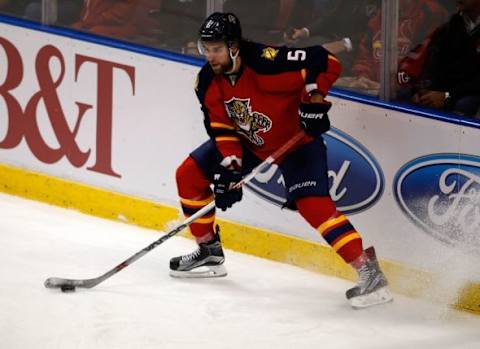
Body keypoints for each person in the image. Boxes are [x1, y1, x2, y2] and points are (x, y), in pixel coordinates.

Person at [170, 12, 393, 308]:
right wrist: (231, 170)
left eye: (216, 49)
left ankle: (368, 271)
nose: (210, 56)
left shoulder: (267, 61)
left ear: (234, 46)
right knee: (188, 174)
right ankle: (209, 250)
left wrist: (314, 103)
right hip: (250, 143)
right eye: (206, 49)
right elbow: (222, 128)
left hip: (297, 143)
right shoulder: (207, 82)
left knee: (312, 205)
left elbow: (326, 61)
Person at [337, 0, 448, 93]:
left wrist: (393, 86)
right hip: (376, 89)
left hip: (408, 97)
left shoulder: (430, 13)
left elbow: (427, 63)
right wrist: (363, 77)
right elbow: (365, 53)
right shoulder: (382, 14)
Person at [401, 0, 480, 117]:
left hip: (468, 94)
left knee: (464, 105)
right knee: (405, 94)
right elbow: (434, 61)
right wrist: (423, 89)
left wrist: (448, 96)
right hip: (448, 92)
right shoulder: (451, 24)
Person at [283, 0, 380, 75]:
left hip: (359, 52)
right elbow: (331, 16)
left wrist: (345, 44)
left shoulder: (380, 4)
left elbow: (374, 32)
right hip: (334, 41)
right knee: (292, 49)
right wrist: (305, 31)